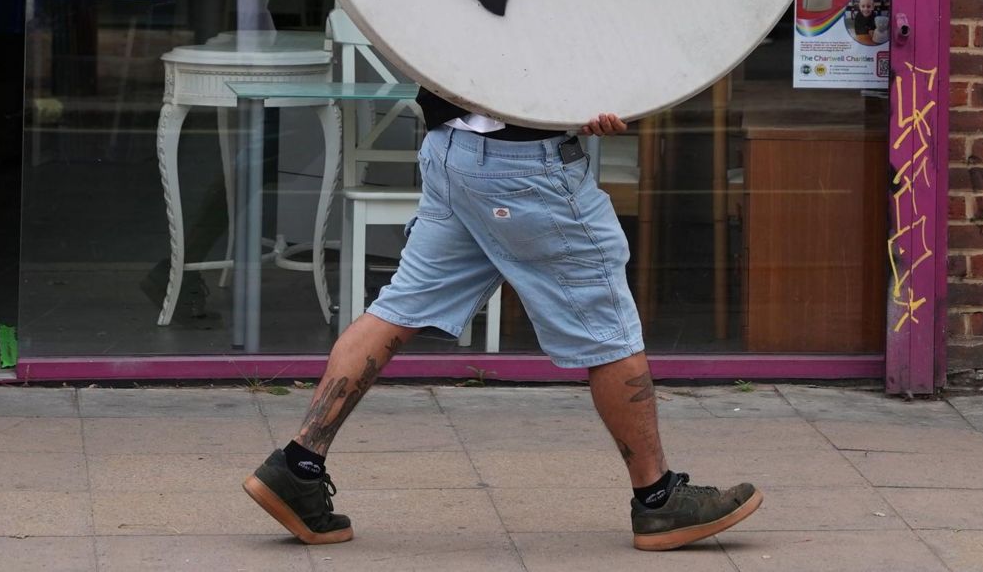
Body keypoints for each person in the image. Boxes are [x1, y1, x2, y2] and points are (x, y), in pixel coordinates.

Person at [242, 88, 763, 552]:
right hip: (526, 167)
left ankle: (298, 464)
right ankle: (657, 499)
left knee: (399, 307)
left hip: (452, 148)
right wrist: (595, 96)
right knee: (609, 325)